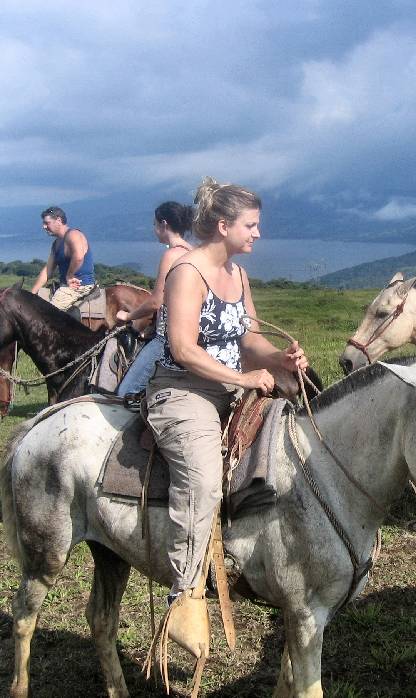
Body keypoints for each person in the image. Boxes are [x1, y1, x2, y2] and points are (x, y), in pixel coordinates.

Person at [145, 177, 308, 606]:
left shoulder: (238, 274)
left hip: (229, 386)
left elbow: (249, 339)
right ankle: (185, 590)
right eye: (251, 225)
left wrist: (279, 360)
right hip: (184, 390)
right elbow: (182, 349)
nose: (258, 233)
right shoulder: (188, 272)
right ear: (223, 226)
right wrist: (245, 379)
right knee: (202, 483)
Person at [115, 202, 194, 396]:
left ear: (164, 224)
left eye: (154, 224)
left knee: (125, 393)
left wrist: (128, 316)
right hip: (192, 336)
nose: (154, 229)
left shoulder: (171, 254)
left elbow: (156, 301)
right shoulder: (193, 252)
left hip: (167, 339)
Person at [30, 206, 96, 310]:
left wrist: (69, 276)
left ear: (59, 220)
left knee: (50, 313)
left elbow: (78, 257)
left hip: (80, 286)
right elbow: (48, 270)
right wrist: (31, 295)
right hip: (65, 284)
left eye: (47, 223)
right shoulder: (56, 243)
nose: (44, 226)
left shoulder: (74, 235)